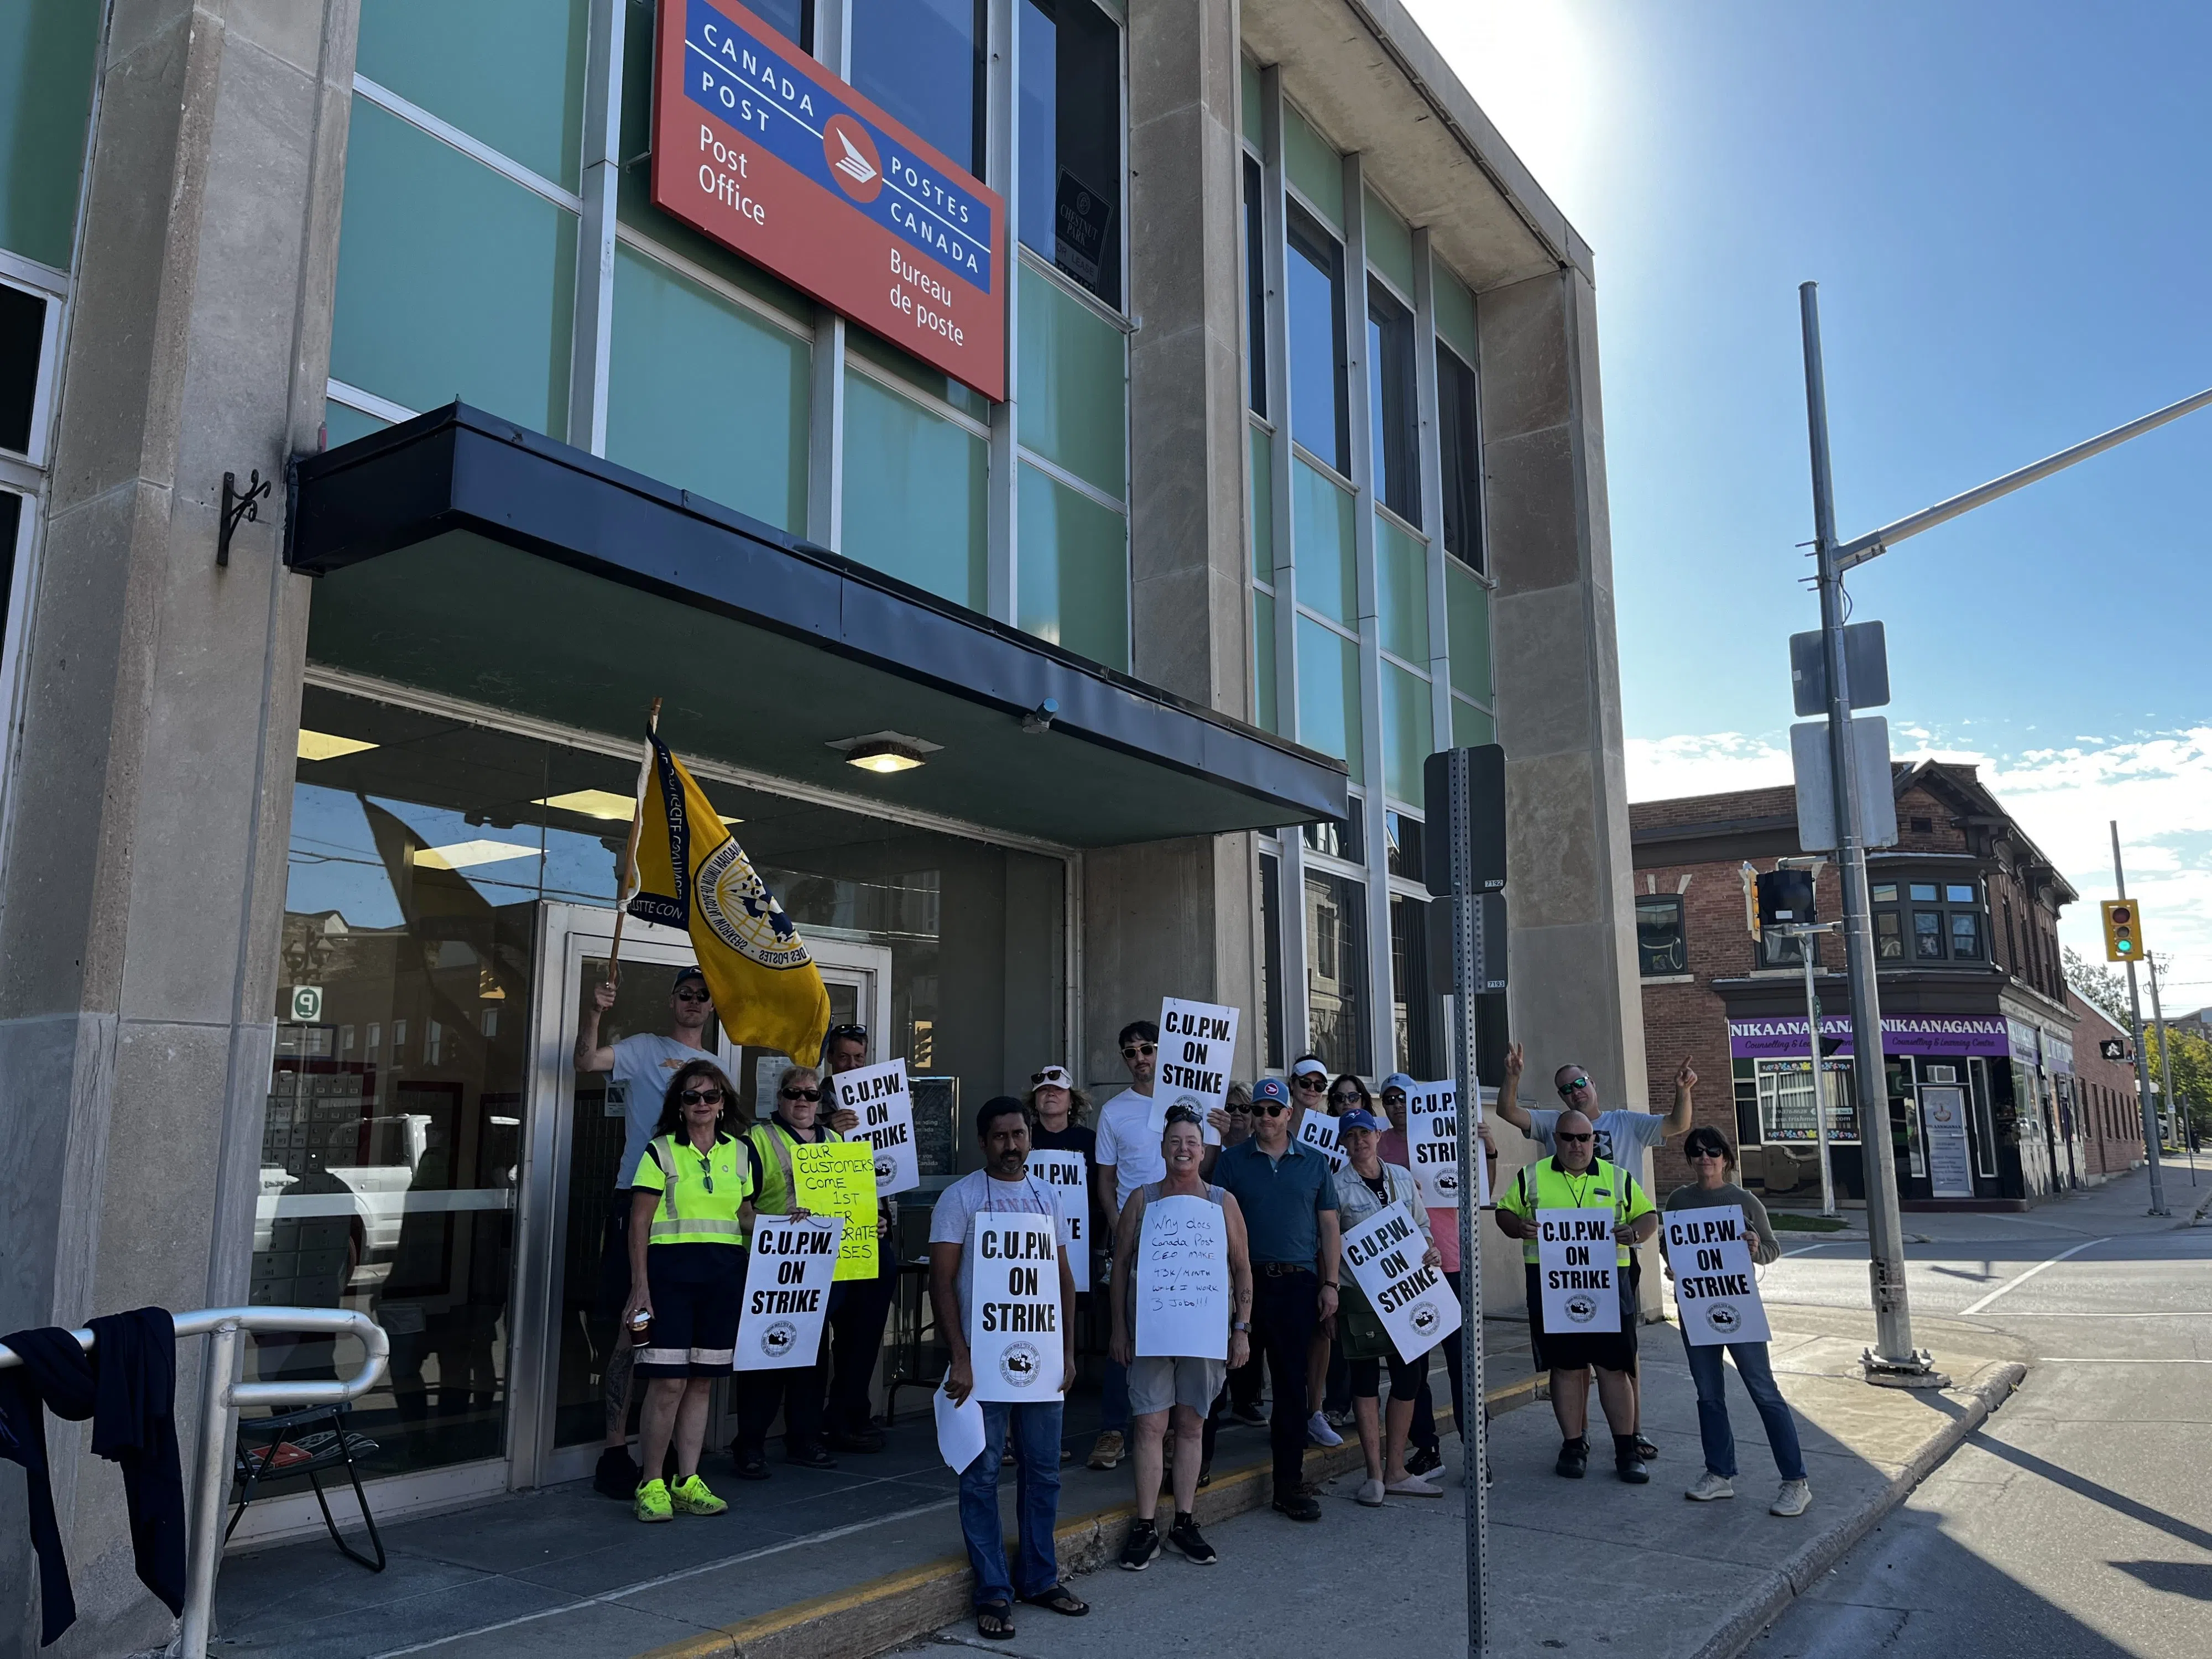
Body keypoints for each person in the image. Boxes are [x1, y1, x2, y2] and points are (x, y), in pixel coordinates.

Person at [930, 1097, 1087, 1640]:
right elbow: (942, 1282)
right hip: (981, 1366)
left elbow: (1063, 1279)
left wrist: (1067, 1352)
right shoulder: (961, 1198)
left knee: (1043, 1474)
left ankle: (1040, 1578)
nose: (1012, 1145)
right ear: (983, 1142)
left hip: (1041, 1362)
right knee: (981, 1477)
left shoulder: (1048, 1196)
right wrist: (960, 1355)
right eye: (1000, 1136)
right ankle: (993, 1589)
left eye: (1019, 1134)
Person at [1494, 1044, 1698, 1461]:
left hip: (1614, 1261)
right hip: (1555, 1269)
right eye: (1566, 1088)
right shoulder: (1555, 1128)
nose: (1575, 1092)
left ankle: (1631, 1434)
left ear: (1593, 1084)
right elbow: (1509, 1113)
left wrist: (1683, 1091)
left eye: (1580, 1083)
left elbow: (1677, 1125)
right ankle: (1577, 1437)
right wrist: (1513, 1075)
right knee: (1568, 1361)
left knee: (1620, 1355)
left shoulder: (1626, 1126)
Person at [576, 966, 720, 1499]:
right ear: (672, 1001)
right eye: (686, 994)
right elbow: (586, 1062)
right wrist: (594, 1013)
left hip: (694, 1217)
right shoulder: (642, 1048)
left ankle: (675, 1465)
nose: (693, 1002)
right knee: (629, 1324)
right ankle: (616, 1449)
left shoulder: (715, 1069)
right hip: (638, 1198)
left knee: (683, 1341)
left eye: (703, 997)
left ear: (712, 1007)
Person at [1110, 1107, 1252, 1568]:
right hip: (1150, 1336)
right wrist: (1119, 1328)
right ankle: (1147, 1524)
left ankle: (1185, 1522)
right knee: (1150, 1426)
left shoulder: (1222, 1202)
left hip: (1205, 1337)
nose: (1184, 1149)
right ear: (1163, 1147)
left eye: (1192, 1141)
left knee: (1191, 1426)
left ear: (1204, 1147)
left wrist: (1241, 1330)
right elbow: (1122, 1268)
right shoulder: (1142, 1199)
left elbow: (1241, 1268)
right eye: (1175, 1141)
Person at [1493, 1107, 1659, 1483]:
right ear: (1557, 1141)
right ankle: (1573, 1445)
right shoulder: (1531, 1177)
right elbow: (1504, 1213)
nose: (1577, 1145)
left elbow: (1649, 1216)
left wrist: (1634, 1234)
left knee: (1614, 1369)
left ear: (1594, 1141)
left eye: (1584, 1138)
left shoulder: (1617, 1178)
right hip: (1553, 1287)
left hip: (1607, 1287)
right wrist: (1518, 1226)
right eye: (1568, 1138)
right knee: (1566, 1368)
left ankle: (1625, 1448)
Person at [620, 1058, 754, 1522]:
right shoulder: (659, 1151)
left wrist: (798, 1219)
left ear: (723, 1105)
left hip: (723, 1278)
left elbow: (745, 1215)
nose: (701, 1104)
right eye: (691, 1097)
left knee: (701, 1384)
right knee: (668, 1382)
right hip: (670, 1279)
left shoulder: (740, 1153)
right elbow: (639, 1222)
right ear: (679, 1105)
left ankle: (688, 1479)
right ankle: (651, 1482)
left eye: (710, 1097)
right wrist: (640, 1287)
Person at [1208, 1074, 1341, 1522]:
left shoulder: (1315, 1162)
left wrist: (1331, 1284)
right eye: (1258, 1110)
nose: (1265, 1118)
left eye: (1273, 1110)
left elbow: (1328, 1227)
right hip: (1241, 1284)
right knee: (1216, 1381)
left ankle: (1288, 1485)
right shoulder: (1231, 1162)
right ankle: (1195, 1471)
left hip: (1296, 1284)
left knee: (1290, 1387)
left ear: (1289, 1114)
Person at [1662, 1127, 1811, 1517]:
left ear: (1726, 1158)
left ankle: (1795, 1482)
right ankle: (1719, 1475)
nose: (1705, 1157)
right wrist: (1674, 1265)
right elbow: (1671, 1247)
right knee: (1709, 1395)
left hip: (1739, 1308)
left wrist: (1755, 1248)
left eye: (1713, 1150)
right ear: (1691, 1159)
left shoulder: (1744, 1201)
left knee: (1764, 1392)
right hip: (1695, 1309)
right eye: (1697, 1151)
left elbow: (1772, 1249)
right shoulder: (1679, 1200)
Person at [1376, 1072, 1498, 1477]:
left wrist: (1488, 1150)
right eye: (1389, 1098)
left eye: (1403, 1098)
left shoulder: (1455, 1136)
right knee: (1412, 1370)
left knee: (1465, 1366)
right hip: (1408, 1270)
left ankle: (1477, 1456)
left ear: (1418, 1102)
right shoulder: (1379, 1144)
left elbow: (1481, 1193)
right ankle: (1427, 1448)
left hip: (1454, 1264)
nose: (1396, 1105)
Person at [732, 1064, 841, 1477]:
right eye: (794, 1094)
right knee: (765, 1357)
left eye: (811, 1095)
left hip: (817, 1268)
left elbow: (850, 1204)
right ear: (779, 1098)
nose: (802, 1102)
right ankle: (750, 1445)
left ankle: (805, 1439)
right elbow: (738, 1213)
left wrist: (875, 1221)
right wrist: (778, 1224)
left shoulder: (835, 1141)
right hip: (768, 1267)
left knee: (813, 1356)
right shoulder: (755, 1141)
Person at [1333, 1107, 1443, 1504]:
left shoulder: (1400, 1176)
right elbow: (1330, 1244)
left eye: (1365, 1133)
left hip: (1407, 1294)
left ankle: (1397, 1469)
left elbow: (1423, 1226)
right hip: (1360, 1296)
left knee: (1408, 1378)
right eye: (1352, 1136)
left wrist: (1430, 1250)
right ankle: (1374, 1475)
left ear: (1377, 1136)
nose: (1360, 1141)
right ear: (1344, 1143)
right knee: (1363, 1382)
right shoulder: (1337, 1187)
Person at [817, 1022, 896, 1454]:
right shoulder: (812, 1099)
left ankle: (851, 1412)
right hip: (828, 1236)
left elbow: (891, 1168)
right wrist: (830, 1126)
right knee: (823, 1335)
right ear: (830, 1058)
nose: (850, 1065)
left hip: (874, 1230)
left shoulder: (879, 1098)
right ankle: (821, 1420)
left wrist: (886, 1219)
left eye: (858, 1058)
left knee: (865, 1333)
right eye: (843, 1057)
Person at [1087, 1020, 1162, 1470]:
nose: (1139, 1059)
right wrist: (1119, 1228)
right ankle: (1114, 1429)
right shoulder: (1114, 1111)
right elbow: (1107, 1179)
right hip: (1133, 1239)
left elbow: (1207, 1164)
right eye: (1130, 1053)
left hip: (1181, 1237)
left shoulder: (1190, 1103)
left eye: (1147, 1049)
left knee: (1173, 1334)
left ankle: (1169, 1431)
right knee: (1123, 1333)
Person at [1029, 1064, 1096, 1468]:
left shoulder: (1087, 1141)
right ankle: (1012, 1435)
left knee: (1061, 1345)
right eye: (1043, 1090)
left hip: (1073, 1256)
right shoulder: (1021, 1136)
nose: (1050, 1095)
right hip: (1024, 1256)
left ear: (1072, 1100)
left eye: (1058, 1089)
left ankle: (1049, 1433)